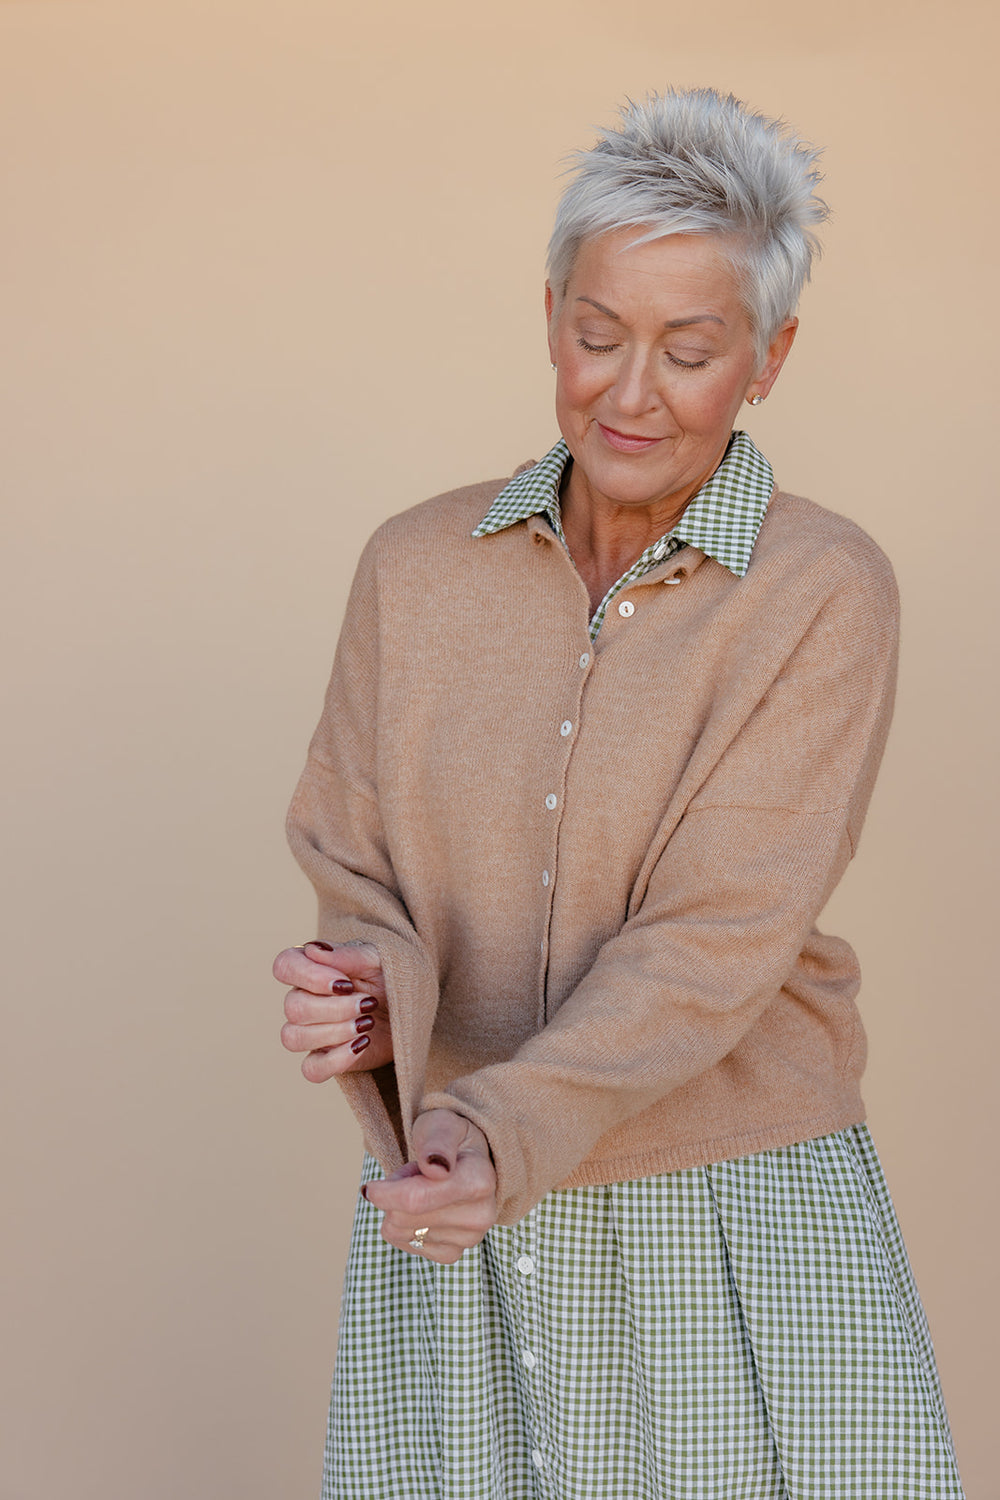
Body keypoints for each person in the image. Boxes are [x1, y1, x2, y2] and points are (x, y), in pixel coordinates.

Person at [274, 89, 965, 1499]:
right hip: (462, 1200)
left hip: (731, 1198)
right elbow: (358, 868)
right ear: (549, 319)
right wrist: (362, 995)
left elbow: (719, 940)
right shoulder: (414, 569)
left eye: (691, 350)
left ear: (769, 358)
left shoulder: (821, 592)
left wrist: (494, 1128)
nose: (630, 391)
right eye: (598, 336)